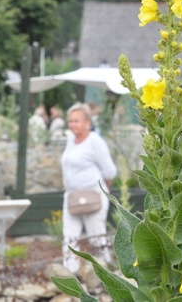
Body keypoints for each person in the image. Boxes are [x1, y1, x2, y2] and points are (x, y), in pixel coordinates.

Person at [60, 103, 117, 273]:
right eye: (70, 121)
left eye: (76, 121)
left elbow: (110, 171)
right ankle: (70, 272)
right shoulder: (71, 141)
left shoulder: (94, 141)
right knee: (69, 235)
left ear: (87, 122)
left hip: (93, 195)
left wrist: (103, 192)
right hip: (72, 196)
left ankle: (104, 272)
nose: (72, 125)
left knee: (96, 236)